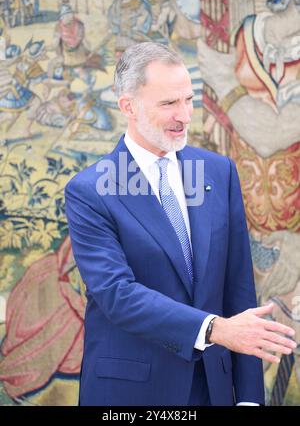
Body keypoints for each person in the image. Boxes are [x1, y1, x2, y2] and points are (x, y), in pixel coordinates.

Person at [64, 42, 296, 406]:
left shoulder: (218, 173)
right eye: (168, 104)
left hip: (214, 391)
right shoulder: (90, 191)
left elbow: (238, 289)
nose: (185, 115)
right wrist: (216, 329)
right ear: (128, 106)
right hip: (132, 394)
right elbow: (117, 295)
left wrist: (249, 397)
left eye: (188, 100)